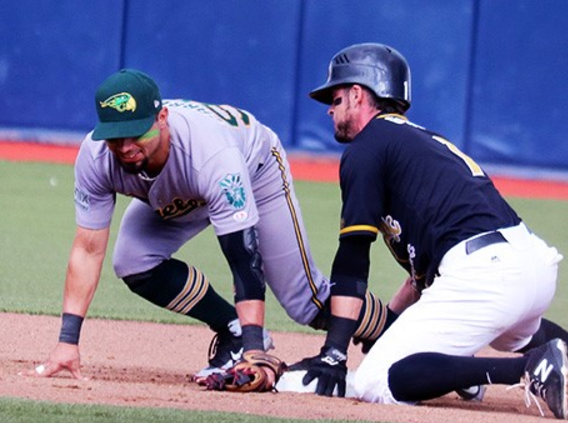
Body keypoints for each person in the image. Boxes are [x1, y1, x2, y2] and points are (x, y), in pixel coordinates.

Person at [301, 42, 568, 419]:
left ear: (358, 94)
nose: (330, 108)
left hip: (485, 272)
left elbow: (353, 256)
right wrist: (391, 325)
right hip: (527, 263)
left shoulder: (367, 147)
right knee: (513, 332)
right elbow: (422, 281)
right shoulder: (419, 143)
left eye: (336, 98)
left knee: (374, 381)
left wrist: (334, 354)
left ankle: (528, 369)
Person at [24, 68, 396, 383]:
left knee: (307, 302)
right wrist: (67, 341)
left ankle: (397, 330)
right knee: (132, 260)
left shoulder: (211, 156)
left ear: (162, 118)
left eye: (136, 132)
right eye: (114, 136)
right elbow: (88, 248)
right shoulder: (96, 157)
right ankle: (232, 330)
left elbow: (242, 256)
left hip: (253, 170)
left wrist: (255, 352)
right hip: (179, 189)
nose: (125, 146)